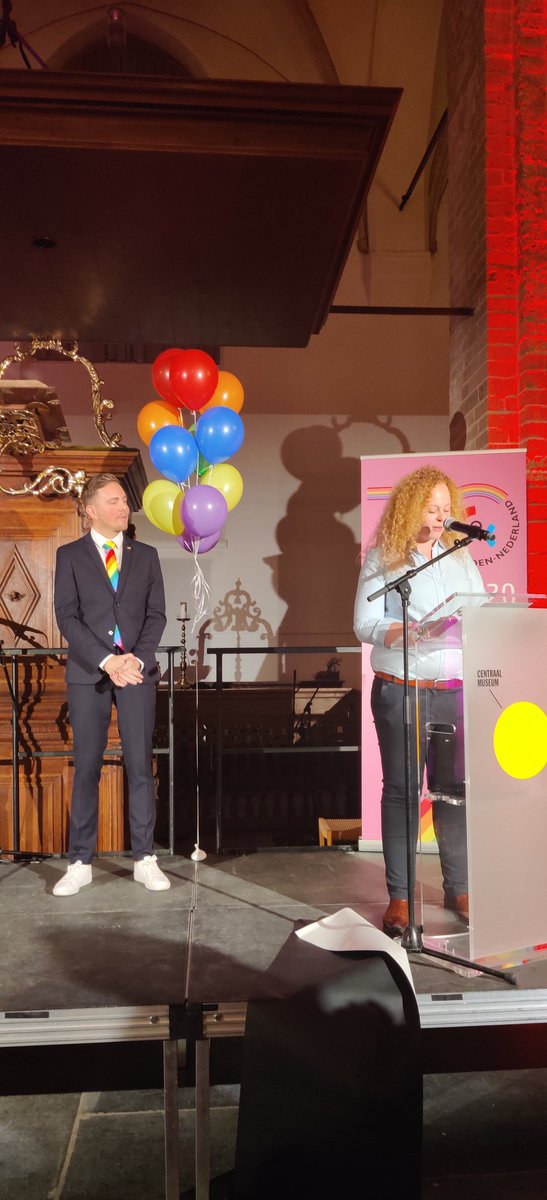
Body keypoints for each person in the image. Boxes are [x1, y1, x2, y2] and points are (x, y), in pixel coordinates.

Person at [354, 465, 486, 936]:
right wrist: (408, 629)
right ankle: (402, 897)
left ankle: (460, 887)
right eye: (431, 508)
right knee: (403, 792)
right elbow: (364, 624)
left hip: (452, 692)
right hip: (401, 689)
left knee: (454, 792)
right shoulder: (385, 558)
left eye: (446, 508)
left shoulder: (460, 556)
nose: (441, 516)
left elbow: (481, 612)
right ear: (410, 509)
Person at [52, 473, 170, 896]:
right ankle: (80, 861)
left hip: (137, 671)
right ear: (91, 509)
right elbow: (67, 617)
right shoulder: (70, 556)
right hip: (90, 673)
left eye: (125, 501)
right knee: (87, 767)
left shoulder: (147, 555)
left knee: (140, 765)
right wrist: (106, 660)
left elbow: (156, 614)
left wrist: (135, 658)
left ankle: (145, 858)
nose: (125, 507)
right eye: (115, 501)